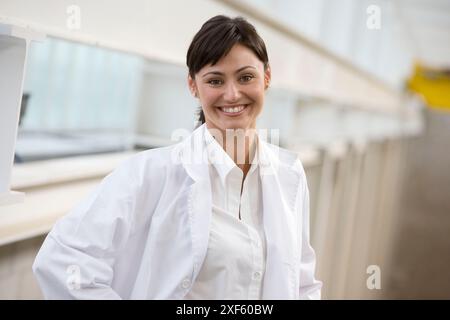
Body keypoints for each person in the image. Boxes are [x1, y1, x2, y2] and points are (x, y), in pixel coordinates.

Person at [32, 15, 322, 300]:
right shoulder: (150, 174)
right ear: (193, 86)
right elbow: (61, 259)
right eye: (215, 80)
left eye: (246, 77)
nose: (232, 94)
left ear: (266, 77)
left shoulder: (289, 175)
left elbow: (302, 284)